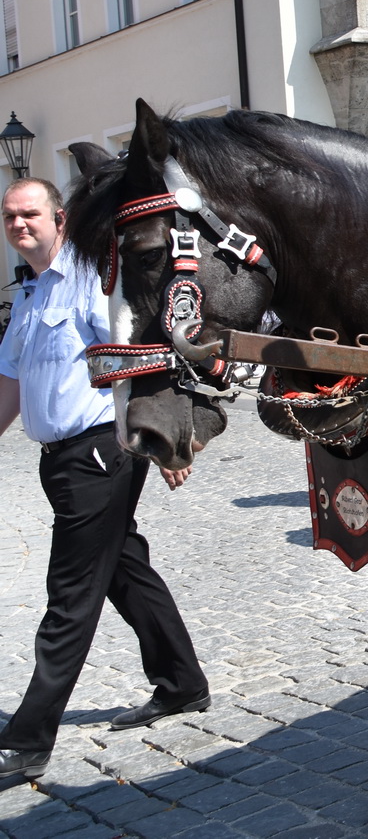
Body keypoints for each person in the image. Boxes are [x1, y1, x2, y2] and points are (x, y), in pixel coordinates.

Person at [0, 178, 208, 781]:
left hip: (99, 451)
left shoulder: (91, 278)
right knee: (122, 567)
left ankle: (28, 738)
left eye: (30, 214)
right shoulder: (33, 293)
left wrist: (171, 439)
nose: (19, 224)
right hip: (59, 460)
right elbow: (11, 384)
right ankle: (181, 682)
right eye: (10, 216)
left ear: (58, 218)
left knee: (70, 592)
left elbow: (137, 354)